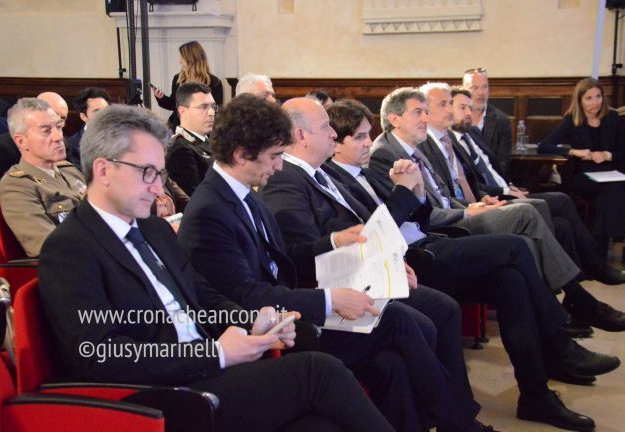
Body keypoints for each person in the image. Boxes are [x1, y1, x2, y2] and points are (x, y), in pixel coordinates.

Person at [38, 103, 395, 432]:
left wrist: (252, 321)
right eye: (147, 173)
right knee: (319, 370)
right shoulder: (71, 248)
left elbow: (201, 296)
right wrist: (216, 353)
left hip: (202, 370)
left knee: (320, 425)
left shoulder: (152, 228)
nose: (159, 188)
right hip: (162, 396)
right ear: (103, 170)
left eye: (160, 173)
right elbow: (100, 354)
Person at [179, 94, 493, 432]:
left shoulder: (241, 192)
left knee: (392, 363)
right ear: (241, 155)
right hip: (272, 330)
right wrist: (331, 300)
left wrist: (335, 243)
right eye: (274, 156)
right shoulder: (211, 211)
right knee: (397, 319)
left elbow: (284, 258)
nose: (279, 165)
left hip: (290, 311)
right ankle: (462, 425)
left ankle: (454, 423)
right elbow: (246, 296)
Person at [318, 97, 621, 431]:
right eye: (360, 137)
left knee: (512, 281)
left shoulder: (359, 171)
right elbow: (374, 234)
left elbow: (418, 216)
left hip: (427, 243)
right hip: (414, 258)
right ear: (336, 145)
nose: (368, 142)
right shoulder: (345, 173)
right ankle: (559, 341)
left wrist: (415, 190)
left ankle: (536, 395)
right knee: (516, 245)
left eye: (368, 135)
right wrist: (405, 191)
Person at [370, 87, 625, 335]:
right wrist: (468, 212)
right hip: (441, 231)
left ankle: (563, 310)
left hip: (457, 213)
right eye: (419, 112)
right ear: (395, 119)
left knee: (540, 223)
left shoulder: (413, 147)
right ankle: (572, 303)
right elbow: (419, 214)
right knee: (526, 216)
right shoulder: (386, 154)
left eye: (427, 111)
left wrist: (473, 205)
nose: (425, 118)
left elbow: (445, 197)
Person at [450, 87, 625, 287]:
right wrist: (505, 191)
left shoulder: (472, 133)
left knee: (566, 219)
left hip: (508, 189)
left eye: (470, 108)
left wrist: (509, 186)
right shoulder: (449, 142)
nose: (469, 112)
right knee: (563, 203)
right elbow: (471, 183)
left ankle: (579, 277)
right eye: (462, 108)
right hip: (494, 198)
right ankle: (591, 269)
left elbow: (493, 169)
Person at [539, 77, 625, 259]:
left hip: (611, 175)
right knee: (614, 189)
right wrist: (575, 152)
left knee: (607, 196)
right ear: (580, 101)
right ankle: (617, 236)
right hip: (584, 176)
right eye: (589, 98)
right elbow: (544, 146)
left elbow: (623, 151)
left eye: (598, 96)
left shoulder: (613, 118)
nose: (595, 103)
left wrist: (608, 155)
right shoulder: (572, 120)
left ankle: (596, 254)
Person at [0, 98, 85, 258]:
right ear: (22, 141)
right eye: (46, 131)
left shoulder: (68, 170)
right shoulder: (16, 185)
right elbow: (50, 245)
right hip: (73, 264)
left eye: (58, 127)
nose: (58, 137)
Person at [0, 91, 70, 198]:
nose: (58, 137)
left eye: (62, 119)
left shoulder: (64, 143)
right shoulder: (3, 147)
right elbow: (2, 192)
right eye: (46, 129)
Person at [152, 41, 223, 130]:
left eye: (182, 57)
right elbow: (173, 105)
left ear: (191, 58)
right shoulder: (178, 79)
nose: (180, 61)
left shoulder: (214, 82)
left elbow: (217, 112)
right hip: (178, 126)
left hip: (202, 129)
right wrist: (161, 98)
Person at [165, 82, 216, 196]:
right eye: (204, 107)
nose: (211, 113)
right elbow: (194, 198)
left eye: (213, 107)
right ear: (183, 111)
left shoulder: (208, 141)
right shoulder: (180, 150)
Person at [461, 68, 512, 176]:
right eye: (474, 87)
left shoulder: (501, 120)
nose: (481, 93)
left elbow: (503, 163)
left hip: (491, 180)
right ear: (464, 90)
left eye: (485, 87)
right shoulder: (455, 119)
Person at [68, 87, 110, 169]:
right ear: (83, 116)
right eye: (97, 112)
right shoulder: (72, 145)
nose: (104, 115)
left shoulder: (120, 139)